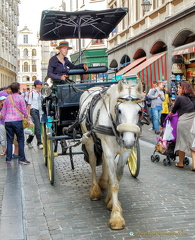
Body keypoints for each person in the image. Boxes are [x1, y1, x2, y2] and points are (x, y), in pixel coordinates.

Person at [0, 82, 30, 164]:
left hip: (8, 122)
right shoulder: (20, 98)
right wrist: (26, 116)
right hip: (17, 121)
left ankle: (8, 159)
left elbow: (3, 111)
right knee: (20, 139)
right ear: (18, 89)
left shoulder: (7, 99)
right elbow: (24, 110)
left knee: (9, 140)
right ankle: (21, 158)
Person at [169, 81, 195, 171]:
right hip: (193, 121)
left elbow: (173, 110)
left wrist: (169, 116)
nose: (178, 89)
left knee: (181, 141)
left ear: (183, 89)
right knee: (192, 142)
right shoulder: (194, 97)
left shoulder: (180, 98)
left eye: (180, 88)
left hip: (184, 121)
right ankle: (194, 165)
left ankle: (181, 162)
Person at [27, 80, 43, 149]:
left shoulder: (42, 93)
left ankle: (28, 140)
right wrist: (28, 114)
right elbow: (29, 104)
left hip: (41, 111)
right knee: (37, 126)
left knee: (36, 127)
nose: (41, 85)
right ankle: (39, 143)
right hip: (34, 110)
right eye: (40, 84)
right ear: (36, 85)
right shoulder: (32, 93)